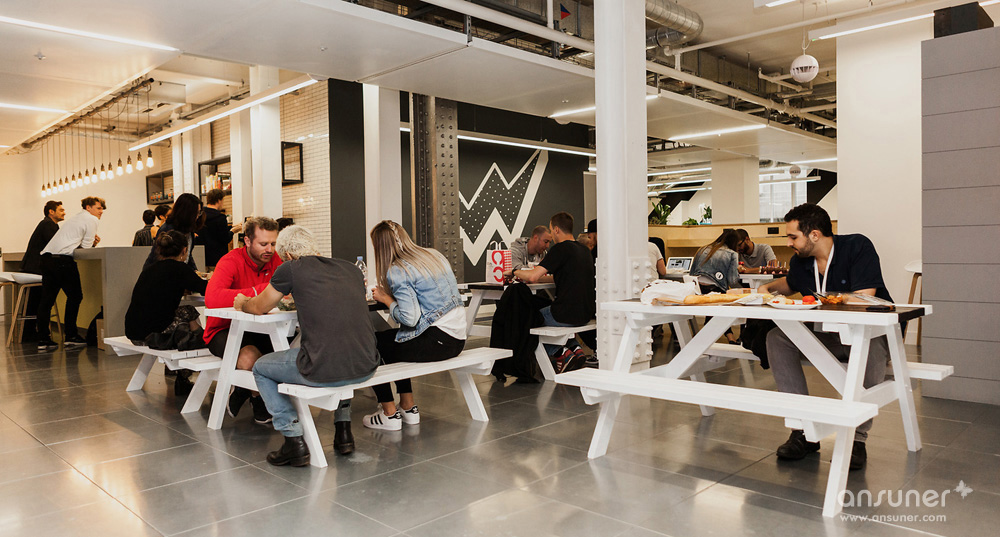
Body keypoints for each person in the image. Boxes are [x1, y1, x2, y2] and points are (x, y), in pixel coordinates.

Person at [758, 203, 893, 472]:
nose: (788, 243)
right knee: (777, 338)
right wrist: (767, 288)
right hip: (828, 335)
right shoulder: (801, 261)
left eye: (793, 237)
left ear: (815, 235)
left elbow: (864, 297)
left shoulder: (857, 247)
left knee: (868, 346)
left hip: (869, 333)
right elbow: (790, 284)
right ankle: (803, 430)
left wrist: (825, 298)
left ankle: (857, 439)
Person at [243, 226, 379, 464]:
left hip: (322, 369)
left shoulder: (291, 268)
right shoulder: (350, 269)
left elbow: (259, 307)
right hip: (366, 364)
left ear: (287, 255)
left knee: (261, 368)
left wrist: (242, 303)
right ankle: (344, 432)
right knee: (342, 347)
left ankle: (292, 439)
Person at [362, 220, 466, 431]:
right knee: (393, 339)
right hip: (457, 340)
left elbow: (410, 319)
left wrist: (386, 299)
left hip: (436, 342)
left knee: (369, 344)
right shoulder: (433, 256)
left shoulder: (398, 269)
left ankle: (389, 414)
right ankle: (408, 407)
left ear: (380, 247)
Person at [204, 216, 282, 424]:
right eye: (263, 244)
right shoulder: (230, 261)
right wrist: (260, 291)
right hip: (223, 330)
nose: (269, 249)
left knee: (289, 350)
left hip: (262, 329)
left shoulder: (276, 260)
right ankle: (257, 396)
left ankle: (242, 389)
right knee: (250, 359)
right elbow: (212, 298)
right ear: (247, 241)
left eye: (273, 243)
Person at [124, 231, 208, 396]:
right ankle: (201, 346)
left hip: (134, 331)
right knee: (188, 312)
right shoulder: (180, 269)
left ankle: (187, 366)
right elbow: (206, 289)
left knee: (182, 313)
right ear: (184, 250)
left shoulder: (149, 269)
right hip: (153, 335)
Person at [513, 212, 596, 373]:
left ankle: (560, 352)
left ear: (556, 229)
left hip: (566, 314)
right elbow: (558, 277)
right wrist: (538, 278)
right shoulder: (584, 250)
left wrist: (514, 272)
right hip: (585, 314)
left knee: (527, 318)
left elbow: (532, 276)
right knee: (541, 313)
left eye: (551, 230)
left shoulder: (560, 249)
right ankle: (575, 349)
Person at [35, 197, 104, 351]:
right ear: (88, 207)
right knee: (75, 296)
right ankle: (71, 336)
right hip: (63, 261)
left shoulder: (75, 218)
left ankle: (43, 339)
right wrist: (93, 243)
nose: (101, 212)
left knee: (46, 301)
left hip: (47, 259)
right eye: (99, 208)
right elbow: (86, 248)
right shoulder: (91, 219)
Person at [19, 201, 65, 341]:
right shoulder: (48, 225)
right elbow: (57, 245)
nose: (64, 212)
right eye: (61, 210)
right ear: (51, 212)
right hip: (37, 268)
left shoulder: (47, 224)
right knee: (38, 301)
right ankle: (31, 332)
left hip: (31, 267)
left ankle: (28, 332)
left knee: (33, 301)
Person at [689, 229, 742, 344]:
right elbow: (732, 280)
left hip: (697, 290)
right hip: (715, 290)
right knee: (721, 299)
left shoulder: (702, 249)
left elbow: (691, 273)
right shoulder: (732, 254)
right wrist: (737, 271)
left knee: (715, 304)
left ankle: (728, 336)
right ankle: (724, 337)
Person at [144, 193, 204, 271]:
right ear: (187, 213)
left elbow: (188, 256)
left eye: (199, 212)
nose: (198, 216)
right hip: (161, 274)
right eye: (196, 213)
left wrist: (195, 272)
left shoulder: (189, 232)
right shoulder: (169, 230)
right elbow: (159, 258)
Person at [201, 189, 243, 270]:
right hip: (217, 257)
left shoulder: (201, 215)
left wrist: (232, 227)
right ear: (219, 200)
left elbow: (213, 230)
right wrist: (233, 231)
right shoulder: (220, 217)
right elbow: (225, 238)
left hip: (203, 257)